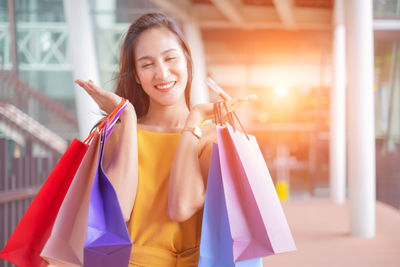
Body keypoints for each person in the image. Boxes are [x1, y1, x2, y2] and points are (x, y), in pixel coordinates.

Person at [75, 13, 253, 267]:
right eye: (147, 65)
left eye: (170, 58)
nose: (162, 73)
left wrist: (193, 122)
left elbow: (181, 207)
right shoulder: (120, 132)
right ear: (136, 75)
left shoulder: (211, 136)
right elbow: (118, 212)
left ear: (187, 62)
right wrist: (127, 116)